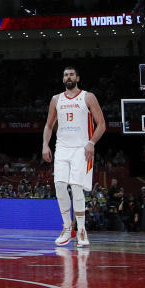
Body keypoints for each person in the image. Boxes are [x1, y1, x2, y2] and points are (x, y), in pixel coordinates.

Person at [41, 66, 106, 247]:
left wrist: (91, 143)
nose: (68, 77)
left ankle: (82, 230)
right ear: (63, 79)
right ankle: (67, 228)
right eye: (65, 75)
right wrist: (45, 145)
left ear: (77, 77)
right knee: (60, 185)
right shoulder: (56, 99)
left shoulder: (88, 97)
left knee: (77, 188)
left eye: (71, 74)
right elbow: (48, 126)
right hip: (62, 147)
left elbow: (101, 124)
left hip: (81, 147)